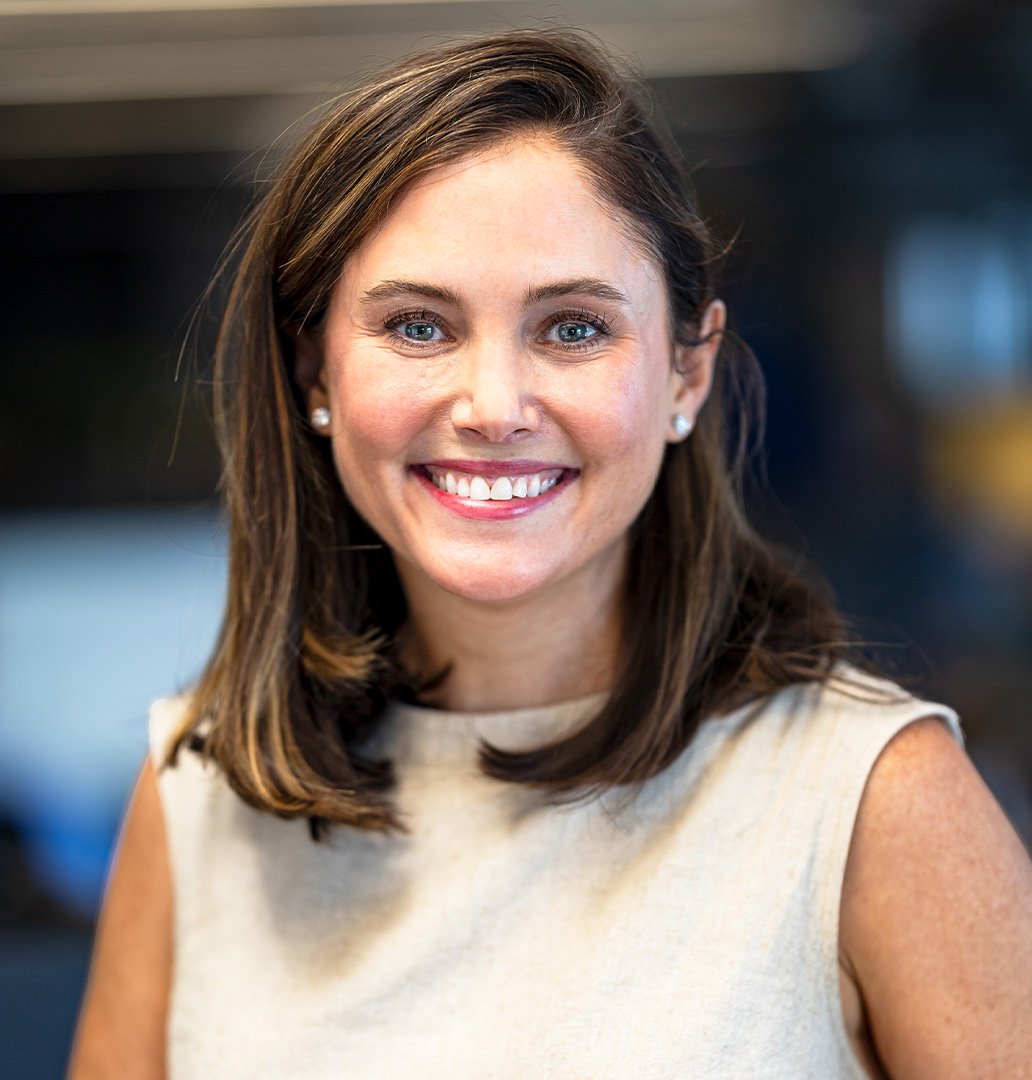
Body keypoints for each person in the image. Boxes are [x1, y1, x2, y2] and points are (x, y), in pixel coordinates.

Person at [69, 29, 1032, 1079]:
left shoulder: (877, 802)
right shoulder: (196, 796)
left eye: (572, 329)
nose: (493, 408)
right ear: (315, 374)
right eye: (418, 327)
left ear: (685, 373)